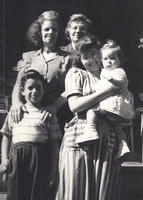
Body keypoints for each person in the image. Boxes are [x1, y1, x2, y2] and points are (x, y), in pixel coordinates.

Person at [55, 37, 122, 200]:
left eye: (94, 54)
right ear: (80, 59)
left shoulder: (111, 76)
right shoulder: (77, 73)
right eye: (85, 56)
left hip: (107, 137)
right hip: (81, 136)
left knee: (103, 191)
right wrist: (106, 92)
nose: (92, 59)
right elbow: (75, 105)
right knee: (76, 190)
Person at [0, 70, 62, 200]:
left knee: (38, 194)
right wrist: (4, 159)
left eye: (38, 88)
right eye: (30, 88)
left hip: (40, 160)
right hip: (17, 159)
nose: (34, 91)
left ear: (44, 90)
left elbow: (54, 145)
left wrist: (52, 172)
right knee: (16, 193)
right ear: (22, 91)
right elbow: (6, 136)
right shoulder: (15, 112)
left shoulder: (48, 114)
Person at [11, 11, 71, 133]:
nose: (50, 32)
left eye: (54, 29)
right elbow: (18, 84)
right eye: (46, 29)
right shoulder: (29, 57)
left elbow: (70, 89)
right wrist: (16, 102)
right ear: (40, 32)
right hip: (30, 117)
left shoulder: (66, 58)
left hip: (57, 117)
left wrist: (54, 107)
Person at [76, 39, 135, 157]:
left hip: (115, 103)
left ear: (120, 60)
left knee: (92, 111)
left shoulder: (118, 71)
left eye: (112, 58)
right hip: (114, 107)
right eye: (106, 59)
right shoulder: (106, 72)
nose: (109, 61)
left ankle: (91, 130)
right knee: (116, 126)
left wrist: (110, 79)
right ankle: (123, 146)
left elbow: (119, 83)